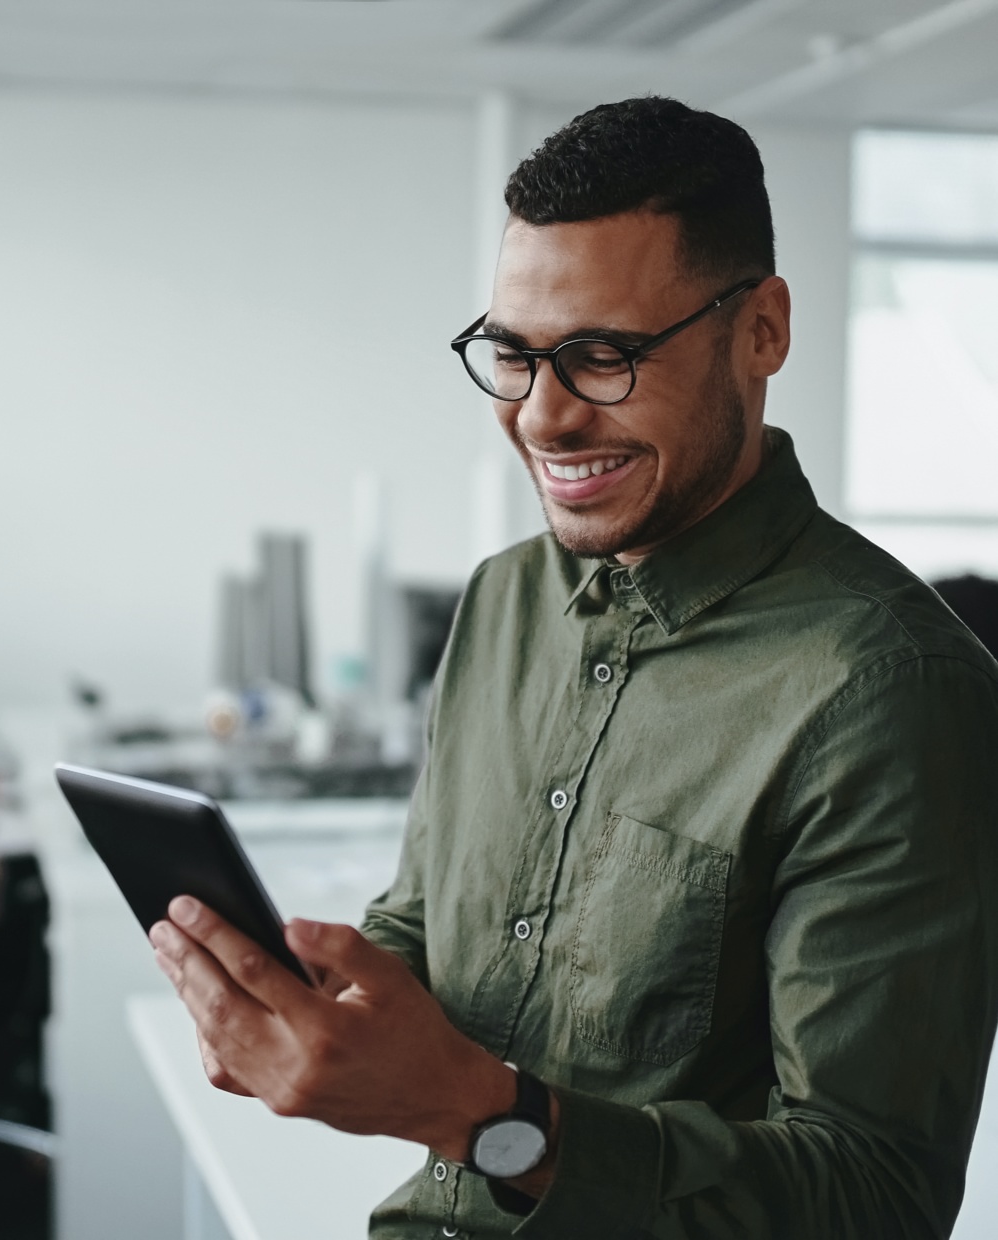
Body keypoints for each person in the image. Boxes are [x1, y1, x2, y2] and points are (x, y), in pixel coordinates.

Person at [149, 96, 998, 1238]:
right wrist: (313, 1005)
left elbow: (873, 1198)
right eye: (512, 354)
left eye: (604, 357)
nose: (542, 418)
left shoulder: (889, 688)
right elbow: (427, 928)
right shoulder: (503, 599)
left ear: (764, 331)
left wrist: (486, 1119)